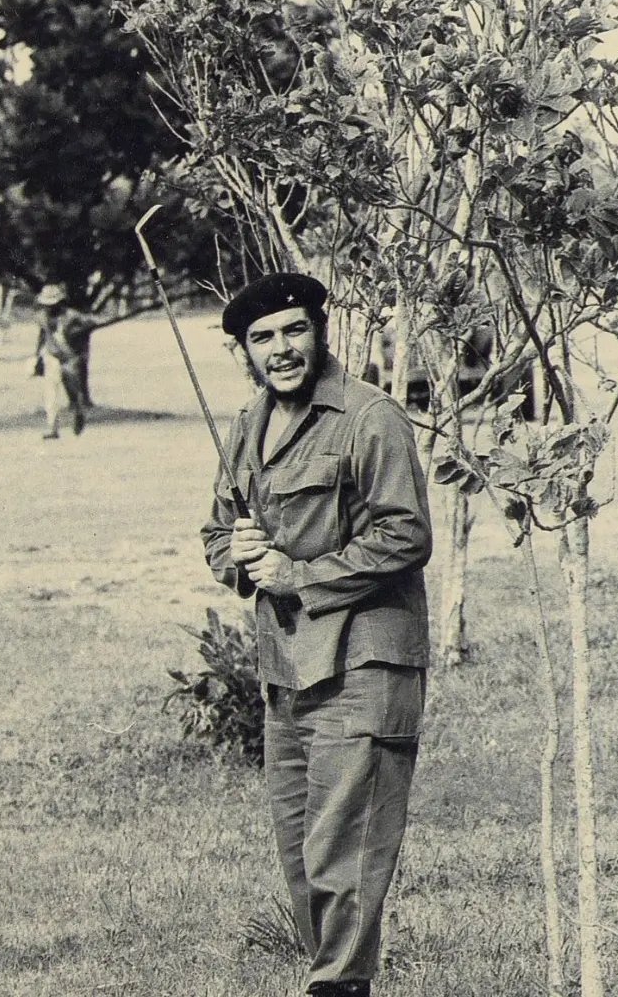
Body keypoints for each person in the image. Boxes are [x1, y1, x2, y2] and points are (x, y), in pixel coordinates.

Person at [201, 272, 433, 997]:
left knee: (345, 854)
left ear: (319, 331)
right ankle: (339, 980)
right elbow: (216, 532)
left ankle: (336, 986)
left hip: (365, 662)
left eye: (294, 330)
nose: (281, 349)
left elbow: (406, 534)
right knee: (301, 856)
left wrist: (297, 574)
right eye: (262, 338)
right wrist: (235, 555)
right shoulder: (245, 424)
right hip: (287, 670)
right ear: (245, 350)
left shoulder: (370, 416)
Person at [33, 284, 95, 440]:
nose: (49, 308)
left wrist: (78, 337)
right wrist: (37, 356)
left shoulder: (72, 316)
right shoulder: (42, 317)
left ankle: (79, 413)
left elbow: (90, 323)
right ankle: (52, 427)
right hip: (52, 357)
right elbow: (42, 335)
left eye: (52, 304)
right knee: (51, 393)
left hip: (70, 358)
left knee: (73, 393)